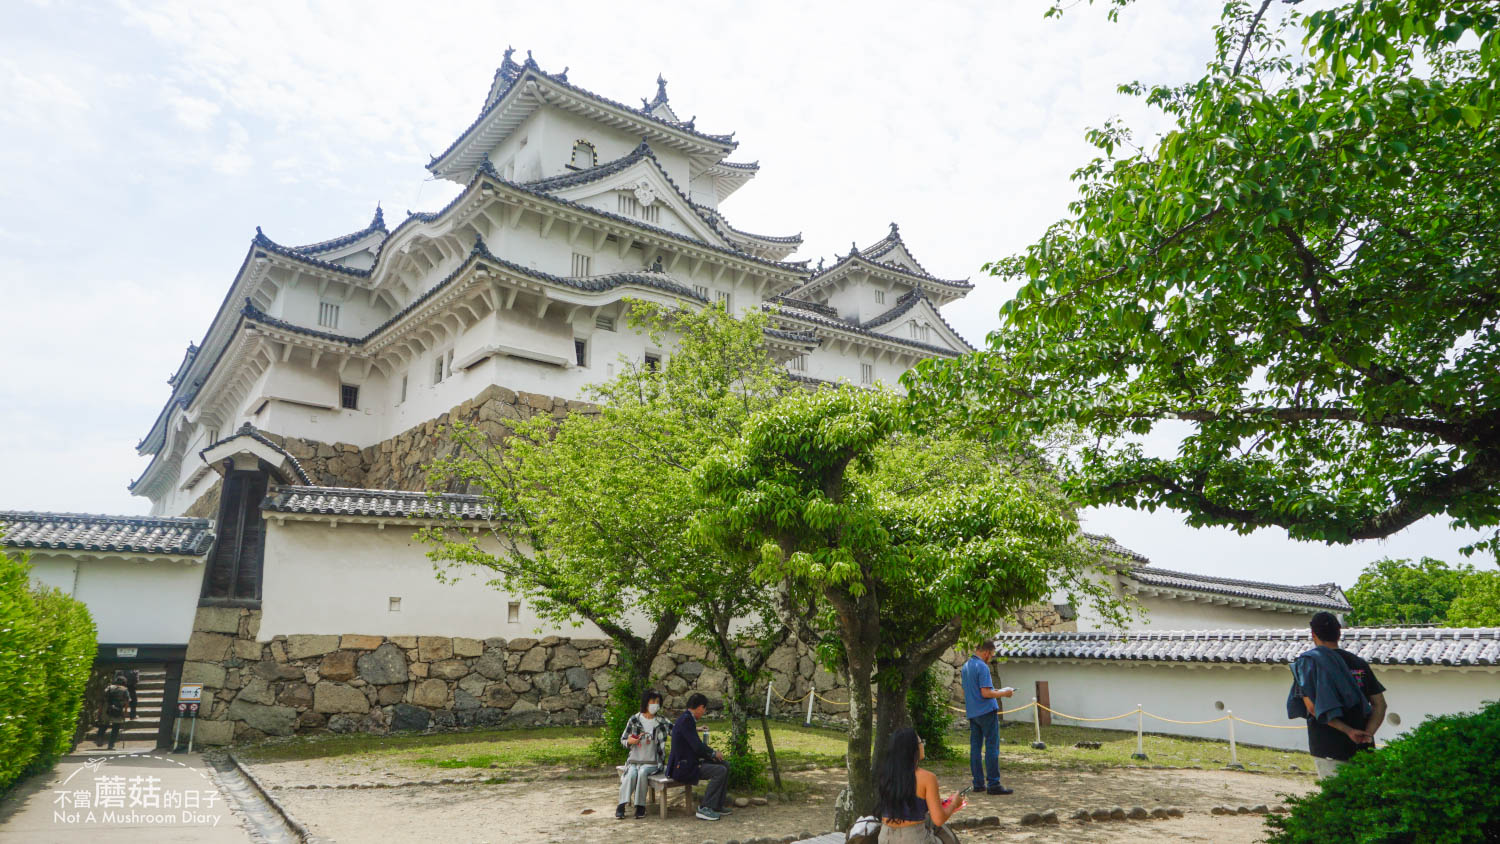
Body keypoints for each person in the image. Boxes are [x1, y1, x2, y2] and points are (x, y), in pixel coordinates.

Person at [1287, 611, 1387, 779]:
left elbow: (1313, 708)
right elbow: (1380, 704)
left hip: (1328, 746)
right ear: (1339, 633)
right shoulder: (1359, 663)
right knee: (1361, 792)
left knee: (1334, 792)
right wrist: (1367, 734)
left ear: (1313, 634)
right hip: (1362, 747)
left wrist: (1349, 731)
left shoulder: (1308, 663)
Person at [874, 727, 967, 843]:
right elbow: (938, 820)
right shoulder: (927, 777)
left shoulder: (886, 774)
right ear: (913, 748)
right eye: (920, 742)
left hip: (885, 836)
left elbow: (903, 803)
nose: (923, 745)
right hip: (914, 836)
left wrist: (932, 802)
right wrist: (954, 804)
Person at [666, 692, 731, 821]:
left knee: (725, 765)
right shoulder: (686, 720)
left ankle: (717, 805)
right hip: (683, 767)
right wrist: (713, 753)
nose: (704, 712)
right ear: (701, 707)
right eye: (704, 709)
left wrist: (711, 756)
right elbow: (697, 747)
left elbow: (695, 746)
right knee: (720, 771)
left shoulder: (687, 719)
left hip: (689, 762)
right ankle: (705, 807)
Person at [960, 640, 1013, 795]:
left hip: (973, 712)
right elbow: (986, 693)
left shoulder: (966, 666)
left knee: (975, 748)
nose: (991, 658)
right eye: (992, 654)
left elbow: (976, 690)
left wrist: (996, 690)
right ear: (987, 652)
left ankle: (978, 783)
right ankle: (994, 784)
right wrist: (1004, 693)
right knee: (991, 747)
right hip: (986, 711)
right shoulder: (982, 667)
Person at [617, 688, 670, 819]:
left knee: (643, 772)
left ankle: (640, 806)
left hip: (654, 761)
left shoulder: (662, 721)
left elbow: (678, 730)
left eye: (657, 702)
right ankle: (621, 805)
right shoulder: (634, 719)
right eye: (653, 701)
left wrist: (696, 728)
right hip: (635, 760)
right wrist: (629, 741)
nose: (655, 704)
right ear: (646, 702)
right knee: (631, 773)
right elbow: (623, 739)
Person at [96, 672, 132, 750]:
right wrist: (125, 712)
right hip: (118, 709)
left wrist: (100, 711)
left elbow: (102, 700)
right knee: (116, 727)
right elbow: (127, 702)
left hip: (107, 708)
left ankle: (99, 739)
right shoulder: (124, 689)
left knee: (103, 725)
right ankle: (111, 744)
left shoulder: (108, 688)